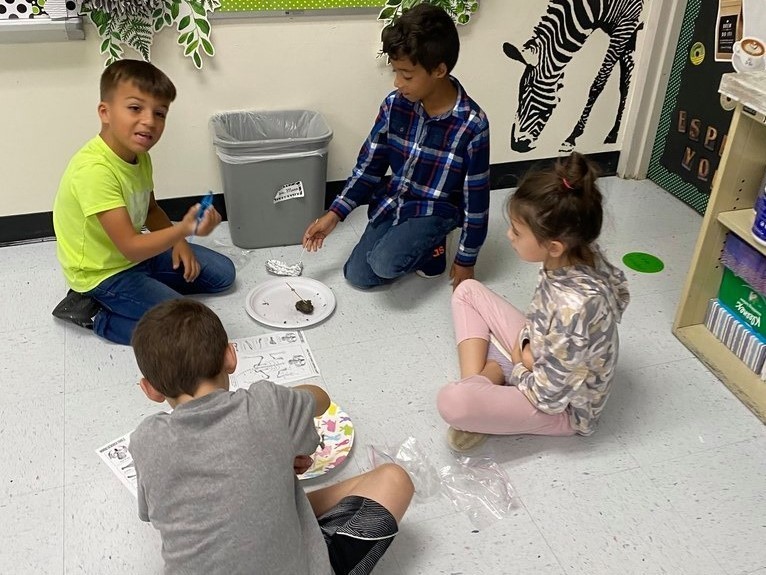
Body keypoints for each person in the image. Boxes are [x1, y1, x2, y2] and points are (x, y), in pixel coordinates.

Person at [129, 299, 414, 575]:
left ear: (150, 389)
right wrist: (281, 411)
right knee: (394, 479)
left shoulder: (145, 440)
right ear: (230, 357)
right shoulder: (268, 404)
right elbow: (321, 398)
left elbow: (152, 514)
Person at [436, 152, 630, 452]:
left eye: (517, 231)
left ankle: (484, 394)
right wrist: (527, 344)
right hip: (541, 352)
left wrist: (519, 366)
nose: (509, 236)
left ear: (553, 246)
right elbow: (615, 297)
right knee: (467, 290)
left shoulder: (574, 306)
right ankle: (485, 393)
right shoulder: (577, 253)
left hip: (564, 409)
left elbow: (550, 398)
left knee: (452, 402)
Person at [302, 3, 490, 290]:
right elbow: (369, 167)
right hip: (396, 200)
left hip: (436, 209)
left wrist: (466, 259)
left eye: (407, 75)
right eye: (395, 71)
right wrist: (333, 215)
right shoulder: (394, 105)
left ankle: (436, 244)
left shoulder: (472, 125)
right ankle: (412, 242)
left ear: (439, 70)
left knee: (384, 264)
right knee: (358, 276)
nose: (397, 82)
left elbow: (476, 201)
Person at [51, 59, 235, 345]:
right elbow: (131, 248)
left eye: (159, 113)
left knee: (223, 275)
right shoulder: (94, 171)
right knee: (188, 330)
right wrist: (183, 231)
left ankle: (148, 295)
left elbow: (150, 210)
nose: (150, 121)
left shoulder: (139, 156)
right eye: (135, 108)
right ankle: (97, 315)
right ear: (105, 112)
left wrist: (180, 244)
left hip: (136, 257)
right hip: (103, 273)